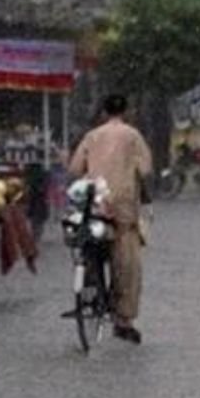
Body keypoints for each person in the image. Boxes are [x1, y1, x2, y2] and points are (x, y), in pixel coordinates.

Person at [69, 94, 153, 344]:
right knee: (127, 266)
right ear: (126, 112)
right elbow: (145, 169)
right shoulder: (133, 136)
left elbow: (75, 168)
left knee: (89, 249)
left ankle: (90, 289)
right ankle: (123, 320)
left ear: (104, 112)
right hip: (123, 211)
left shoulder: (92, 136)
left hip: (94, 207)